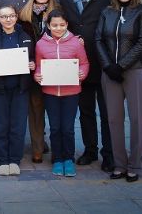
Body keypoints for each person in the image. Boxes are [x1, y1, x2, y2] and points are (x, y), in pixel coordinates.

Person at [95, 0, 142, 183]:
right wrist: (109, 66)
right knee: (113, 119)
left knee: (137, 119)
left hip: (136, 71)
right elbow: (99, 39)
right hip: (110, 72)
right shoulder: (107, 12)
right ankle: (119, 164)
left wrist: (121, 65)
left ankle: (134, 165)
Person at [59, 0, 114, 172]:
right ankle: (90, 150)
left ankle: (109, 153)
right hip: (78, 66)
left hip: (104, 63)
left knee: (108, 112)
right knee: (86, 111)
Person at [34, 9, 89, 177]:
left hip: (71, 92)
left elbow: (84, 63)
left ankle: (68, 159)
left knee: (68, 128)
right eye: (54, 25)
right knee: (55, 127)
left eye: (62, 25)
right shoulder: (40, 44)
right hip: (50, 92)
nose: (58, 28)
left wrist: (82, 73)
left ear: (67, 25)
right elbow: (38, 66)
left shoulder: (76, 43)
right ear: (48, 26)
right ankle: (57, 159)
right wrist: (37, 75)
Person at [0, 4, 35, 176]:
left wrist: (32, 63)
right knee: (0, 125)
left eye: (11, 16)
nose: (8, 19)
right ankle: (3, 160)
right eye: (4, 17)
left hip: (20, 89)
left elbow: (33, 58)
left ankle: (15, 159)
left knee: (18, 125)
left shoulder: (26, 37)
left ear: (16, 17)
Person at [18, 0, 58, 164]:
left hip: (54, 68)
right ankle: (37, 149)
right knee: (35, 112)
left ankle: (58, 149)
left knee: (55, 111)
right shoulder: (23, 18)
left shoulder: (58, 15)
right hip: (31, 69)